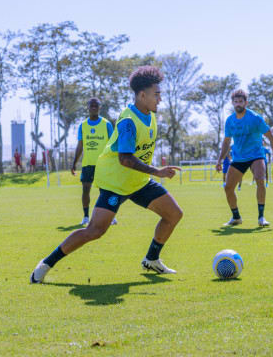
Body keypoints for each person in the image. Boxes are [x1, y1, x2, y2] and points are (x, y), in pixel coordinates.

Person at [31, 66, 183, 283]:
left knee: (174, 214)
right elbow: (125, 159)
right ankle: (46, 264)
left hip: (138, 181)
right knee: (95, 230)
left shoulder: (150, 116)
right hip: (115, 183)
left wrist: (151, 173)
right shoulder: (129, 121)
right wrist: (157, 171)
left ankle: (151, 259)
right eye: (156, 94)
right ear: (142, 95)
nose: (160, 99)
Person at [216, 89, 273, 227]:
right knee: (228, 187)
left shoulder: (255, 118)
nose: (238, 104)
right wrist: (220, 160)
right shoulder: (230, 121)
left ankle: (261, 217)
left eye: (241, 101)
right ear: (232, 103)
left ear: (246, 102)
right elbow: (227, 142)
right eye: (235, 102)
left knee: (260, 179)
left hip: (256, 155)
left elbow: (271, 137)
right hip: (239, 158)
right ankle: (236, 217)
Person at [71, 98, 115, 226]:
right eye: (92, 106)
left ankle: (110, 217)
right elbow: (80, 145)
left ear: (99, 108)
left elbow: (112, 144)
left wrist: (114, 161)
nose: (94, 108)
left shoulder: (106, 124)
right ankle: (86, 217)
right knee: (85, 190)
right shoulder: (83, 125)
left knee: (106, 192)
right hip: (88, 164)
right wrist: (74, 163)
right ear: (88, 108)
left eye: (96, 106)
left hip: (104, 164)